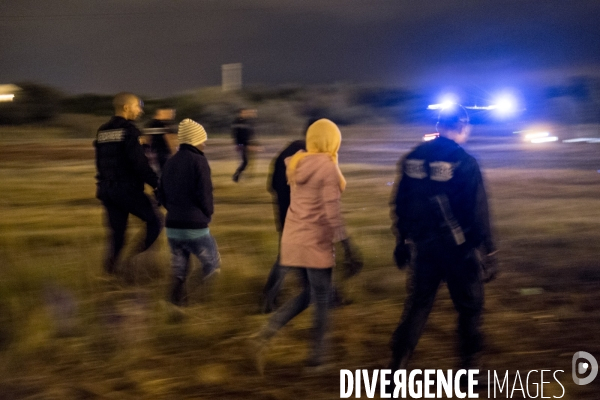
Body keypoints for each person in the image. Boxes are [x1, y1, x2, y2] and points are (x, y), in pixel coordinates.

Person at [388, 104, 498, 373]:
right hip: (459, 250)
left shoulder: (412, 157)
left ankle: (396, 369)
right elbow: (477, 211)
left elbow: (400, 203)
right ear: (461, 126)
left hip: (423, 247)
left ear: (438, 126)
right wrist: (489, 251)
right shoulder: (465, 162)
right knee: (470, 308)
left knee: (418, 307)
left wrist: (401, 240)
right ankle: (468, 372)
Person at [254, 119, 348, 371]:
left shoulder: (296, 162)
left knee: (308, 294)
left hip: (294, 238)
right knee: (322, 298)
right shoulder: (327, 167)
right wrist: (347, 245)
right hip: (316, 242)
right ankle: (317, 357)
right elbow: (332, 214)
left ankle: (265, 332)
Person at [261, 118, 362, 313]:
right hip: (306, 217)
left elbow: (271, 185)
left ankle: (270, 299)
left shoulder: (289, 152)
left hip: (288, 215)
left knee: (290, 257)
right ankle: (327, 297)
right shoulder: (312, 157)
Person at [94, 92, 162, 275]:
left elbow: (100, 162)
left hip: (107, 190)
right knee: (155, 221)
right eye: (137, 106)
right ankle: (133, 261)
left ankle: (110, 272)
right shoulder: (130, 131)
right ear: (126, 107)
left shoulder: (103, 130)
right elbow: (139, 164)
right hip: (126, 189)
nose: (140, 111)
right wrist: (157, 184)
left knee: (117, 235)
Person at [158, 119, 220, 306]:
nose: (205, 143)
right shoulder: (199, 161)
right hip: (195, 226)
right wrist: (207, 214)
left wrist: (175, 211)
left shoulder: (170, 162)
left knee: (179, 270)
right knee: (212, 265)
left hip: (173, 227)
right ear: (194, 141)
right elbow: (204, 192)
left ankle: (175, 305)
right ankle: (192, 297)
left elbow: (161, 193)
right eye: (203, 140)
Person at [143, 107, 177, 175]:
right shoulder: (164, 125)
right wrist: (175, 154)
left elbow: (146, 140)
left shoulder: (150, 124)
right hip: (165, 153)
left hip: (154, 154)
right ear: (161, 112)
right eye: (170, 113)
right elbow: (169, 139)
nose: (172, 115)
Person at [231, 108, 256, 182]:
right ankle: (236, 175)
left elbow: (250, 133)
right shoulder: (236, 122)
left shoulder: (247, 122)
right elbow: (235, 134)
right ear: (240, 113)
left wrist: (251, 142)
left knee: (247, 161)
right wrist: (238, 144)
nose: (245, 114)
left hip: (247, 144)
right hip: (241, 144)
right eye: (244, 113)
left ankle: (239, 175)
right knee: (245, 161)